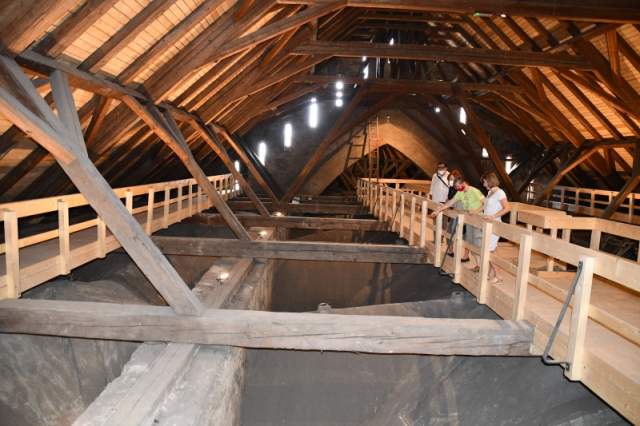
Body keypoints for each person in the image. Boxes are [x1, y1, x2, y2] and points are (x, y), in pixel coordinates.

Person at [430, 175, 484, 263]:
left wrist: (476, 211)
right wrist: (438, 211)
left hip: (477, 219)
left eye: (458, 186)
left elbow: (485, 203)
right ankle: (478, 265)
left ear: (464, 183)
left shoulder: (474, 191)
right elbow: (450, 203)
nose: (458, 188)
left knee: (477, 243)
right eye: (456, 187)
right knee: (470, 243)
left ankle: (484, 266)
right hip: (469, 219)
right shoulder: (460, 192)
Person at [481, 172, 511, 283]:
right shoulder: (489, 192)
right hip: (487, 224)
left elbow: (507, 208)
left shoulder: (500, 193)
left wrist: (493, 216)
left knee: (489, 250)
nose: (483, 184)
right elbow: (485, 206)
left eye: (484, 182)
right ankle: (492, 273)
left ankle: (498, 276)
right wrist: (475, 212)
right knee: (491, 249)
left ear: (489, 181)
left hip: (495, 224)